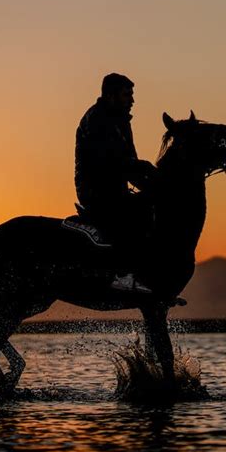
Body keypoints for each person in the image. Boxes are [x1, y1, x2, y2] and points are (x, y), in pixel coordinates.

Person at [75, 73, 156, 294]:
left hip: (115, 188)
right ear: (111, 96)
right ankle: (121, 275)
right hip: (96, 190)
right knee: (131, 217)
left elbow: (130, 164)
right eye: (127, 95)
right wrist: (146, 170)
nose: (132, 100)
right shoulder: (97, 120)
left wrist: (153, 186)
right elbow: (113, 161)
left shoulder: (121, 122)